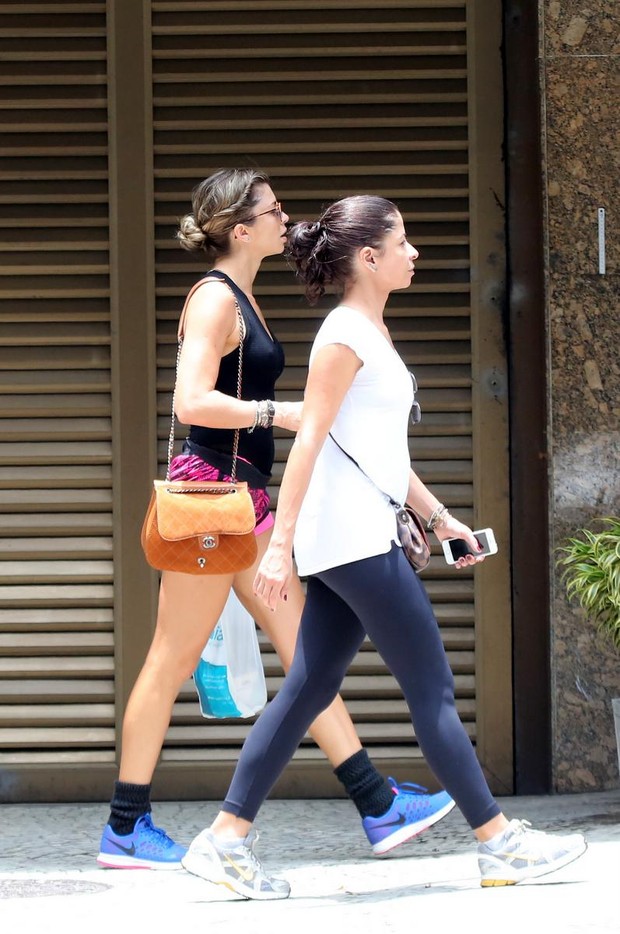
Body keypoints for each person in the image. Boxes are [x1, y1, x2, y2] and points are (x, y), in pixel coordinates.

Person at [181, 195, 588, 899]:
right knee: (431, 690)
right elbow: (307, 440)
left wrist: (440, 518)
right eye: (403, 242)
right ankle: (498, 843)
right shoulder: (344, 335)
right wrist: (278, 550)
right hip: (351, 541)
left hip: (351, 535)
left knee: (309, 686)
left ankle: (225, 840)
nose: (414, 253)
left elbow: (376, 449)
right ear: (368, 258)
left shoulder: (367, 329)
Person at [97, 171, 455, 871]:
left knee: (306, 657)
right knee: (172, 657)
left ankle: (377, 805)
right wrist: (278, 413)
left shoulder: (244, 296)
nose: (285, 219)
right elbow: (192, 401)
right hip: (213, 505)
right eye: (273, 210)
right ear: (240, 229)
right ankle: (125, 826)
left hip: (244, 500)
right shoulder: (213, 300)